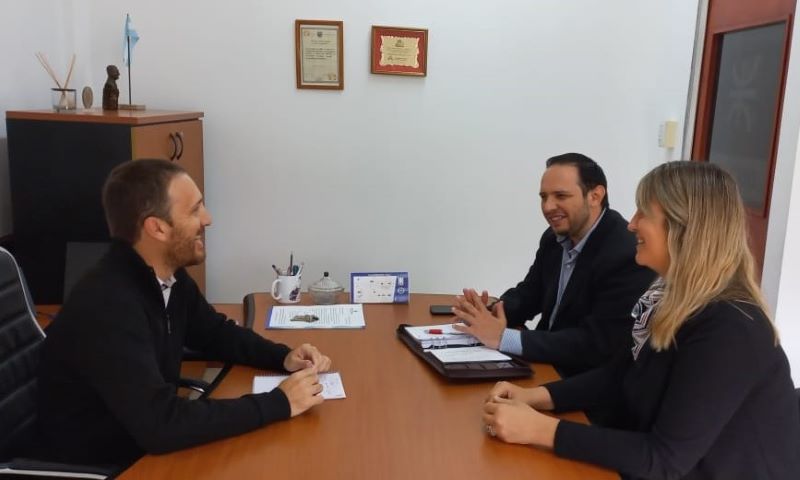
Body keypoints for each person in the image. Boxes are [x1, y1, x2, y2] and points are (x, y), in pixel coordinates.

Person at [480, 161, 800, 480]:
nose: (631, 224)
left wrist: (540, 430)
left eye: (643, 213)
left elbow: (665, 459)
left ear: (683, 227)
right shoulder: (665, 296)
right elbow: (618, 376)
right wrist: (534, 396)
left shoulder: (731, 327)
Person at [36, 159, 332, 467]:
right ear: (158, 228)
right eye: (195, 210)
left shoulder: (166, 276)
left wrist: (282, 357)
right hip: (106, 463)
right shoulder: (107, 306)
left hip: (142, 439)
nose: (208, 219)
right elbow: (161, 425)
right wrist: (279, 403)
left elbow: (214, 333)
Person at [454, 153, 655, 376]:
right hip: (544, 364)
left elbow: (596, 343)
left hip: (581, 379)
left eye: (561, 196)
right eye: (543, 197)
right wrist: (486, 314)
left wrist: (502, 337)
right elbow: (529, 294)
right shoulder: (553, 238)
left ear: (595, 196)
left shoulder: (626, 253)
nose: (548, 207)